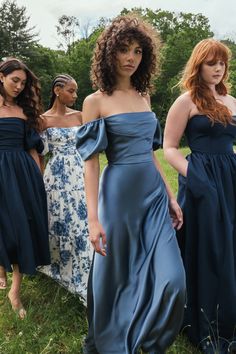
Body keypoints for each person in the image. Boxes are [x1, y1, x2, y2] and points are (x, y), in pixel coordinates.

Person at [76, 15, 186, 354]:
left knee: (173, 278)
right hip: (118, 195)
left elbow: (151, 153)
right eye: (124, 49)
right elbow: (91, 164)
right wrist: (93, 218)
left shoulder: (144, 96)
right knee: (117, 270)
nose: (131, 57)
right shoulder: (95, 101)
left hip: (153, 194)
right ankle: (113, 337)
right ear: (109, 53)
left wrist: (170, 196)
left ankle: (147, 340)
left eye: (138, 51)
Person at [163, 38, 236, 354]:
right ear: (198, 65)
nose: (218, 68)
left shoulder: (232, 100)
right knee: (208, 246)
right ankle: (204, 320)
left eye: (221, 62)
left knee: (230, 244)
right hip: (200, 179)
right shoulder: (186, 101)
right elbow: (169, 148)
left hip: (230, 177)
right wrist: (198, 179)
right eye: (211, 62)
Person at [0, 58, 50, 318]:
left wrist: (37, 181)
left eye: (23, 82)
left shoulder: (23, 112)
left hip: (21, 175)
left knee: (21, 227)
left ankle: (15, 292)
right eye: (14, 80)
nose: (19, 86)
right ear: (1, 76)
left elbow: (32, 150)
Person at [39, 74, 92, 303]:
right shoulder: (43, 120)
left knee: (82, 221)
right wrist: (38, 183)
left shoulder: (81, 116)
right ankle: (60, 261)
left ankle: (86, 266)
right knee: (59, 220)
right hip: (56, 176)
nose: (75, 95)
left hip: (80, 173)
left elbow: (91, 149)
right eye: (71, 91)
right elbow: (40, 156)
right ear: (58, 90)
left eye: (76, 91)